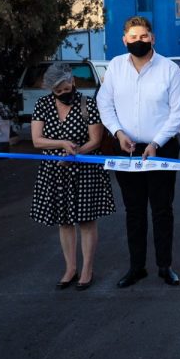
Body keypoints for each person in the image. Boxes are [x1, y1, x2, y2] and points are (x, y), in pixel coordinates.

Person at [97, 16, 180, 288]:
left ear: (153, 38)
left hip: (161, 150)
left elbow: (179, 112)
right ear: (124, 40)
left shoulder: (169, 69)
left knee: (162, 210)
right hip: (127, 150)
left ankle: (164, 266)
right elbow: (105, 103)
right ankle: (137, 267)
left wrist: (156, 142)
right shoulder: (115, 67)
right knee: (134, 211)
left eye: (144, 36)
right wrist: (118, 133)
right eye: (133, 37)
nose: (139, 41)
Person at [30, 63, 115, 291]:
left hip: (85, 169)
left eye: (67, 89)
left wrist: (75, 154)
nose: (63, 94)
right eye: (58, 92)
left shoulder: (87, 104)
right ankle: (70, 268)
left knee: (87, 221)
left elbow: (95, 141)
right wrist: (62, 144)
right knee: (64, 221)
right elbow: (37, 140)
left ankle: (87, 268)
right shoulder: (42, 105)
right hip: (54, 171)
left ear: (73, 83)